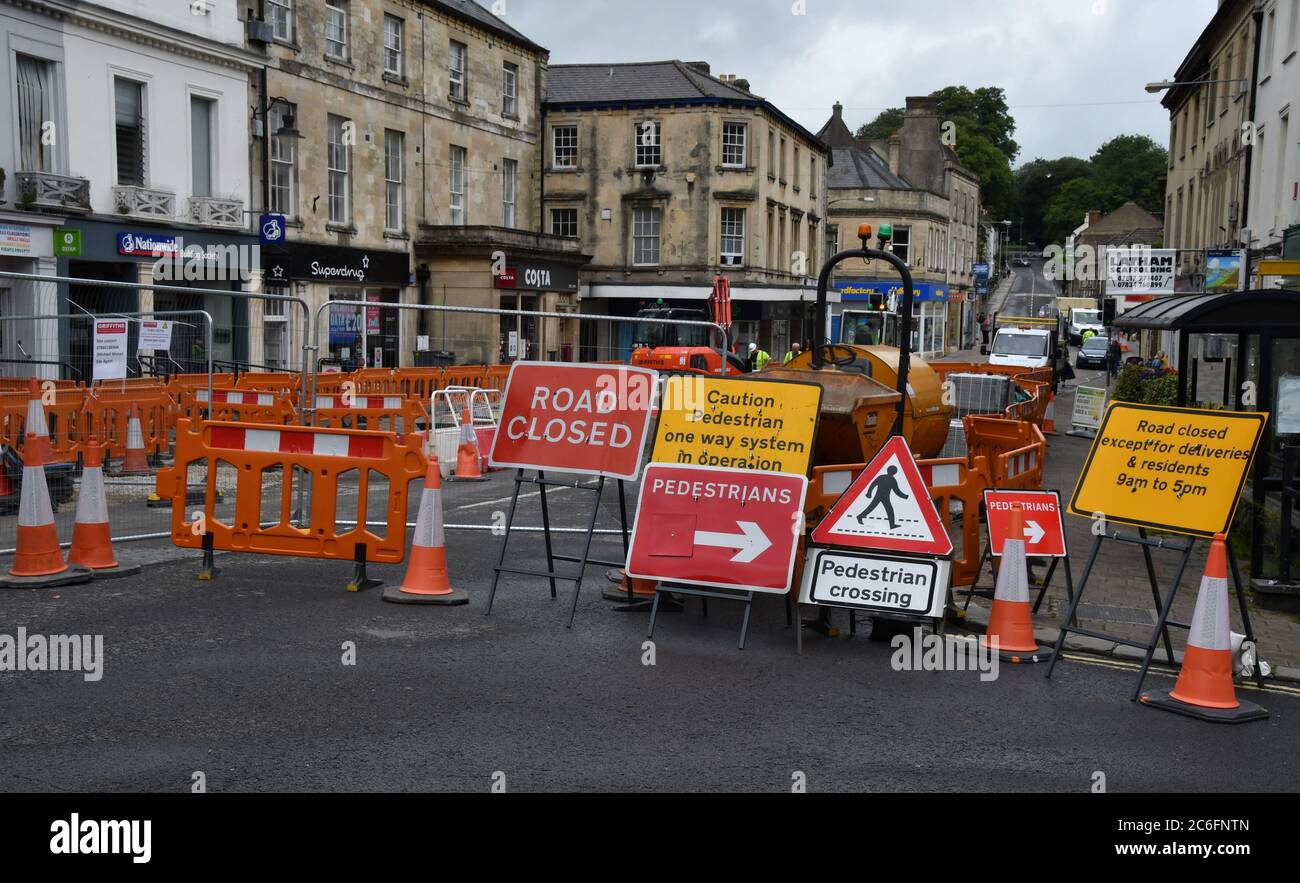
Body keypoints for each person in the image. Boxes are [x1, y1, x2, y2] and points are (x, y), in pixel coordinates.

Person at [856, 465, 909, 531]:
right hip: (880, 496)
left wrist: (905, 496)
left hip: (884, 497)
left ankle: (892, 525)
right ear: (895, 472)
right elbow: (873, 484)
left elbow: (896, 491)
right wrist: (869, 493)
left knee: (886, 509)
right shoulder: (890, 479)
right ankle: (860, 516)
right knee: (874, 508)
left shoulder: (888, 478)